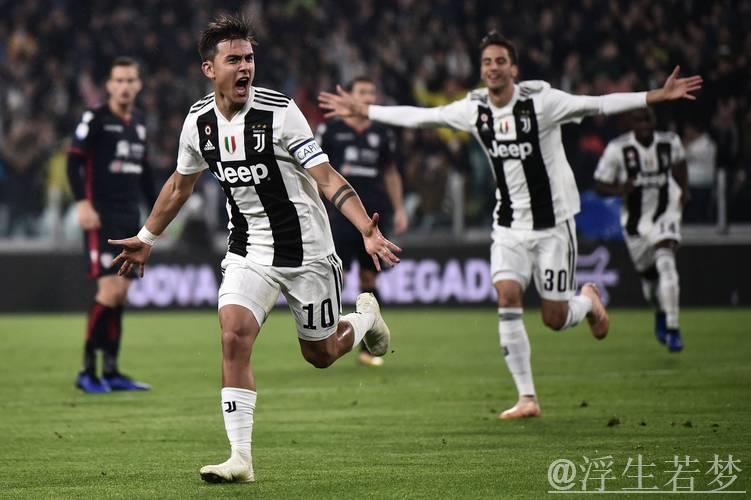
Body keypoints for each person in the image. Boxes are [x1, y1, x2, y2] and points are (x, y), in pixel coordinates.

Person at [319, 31, 702, 419]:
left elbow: (599, 104)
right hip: (508, 224)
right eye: (487, 62)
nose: (493, 68)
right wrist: (366, 110)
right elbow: (423, 117)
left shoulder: (543, 102)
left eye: (500, 61)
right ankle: (527, 398)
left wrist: (655, 95)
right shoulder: (476, 108)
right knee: (506, 296)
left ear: (513, 69)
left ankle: (588, 301)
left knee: (554, 318)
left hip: (553, 225)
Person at [108, 15, 400, 483]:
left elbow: (326, 178)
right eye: (234, 60)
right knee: (233, 335)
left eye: (249, 58)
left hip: (307, 251)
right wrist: (146, 238)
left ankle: (365, 315)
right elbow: (180, 186)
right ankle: (240, 458)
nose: (245, 67)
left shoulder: (281, 113)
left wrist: (366, 228)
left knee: (321, 354)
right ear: (209, 69)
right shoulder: (198, 122)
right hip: (249, 251)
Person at [67, 57, 156, 393]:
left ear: (139, 85)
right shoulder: (96, 118)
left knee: (121, 295)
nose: (125, 86)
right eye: (119, 80)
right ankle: (87, 371)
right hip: (100, 217)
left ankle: (112, 370)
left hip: (130, 220)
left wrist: (157, 216)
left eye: (130, 80)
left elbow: (145, 176)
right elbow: (73, 162)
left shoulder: (140, 124)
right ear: (108, 85)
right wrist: (82, 203)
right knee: (110, 291)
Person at [316, 76, 408, 367]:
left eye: (371, 92)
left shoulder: (382, 133)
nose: (367, 97)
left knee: (369, 279)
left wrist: (400, 209)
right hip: (339, 216)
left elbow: (391, 173)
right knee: (336, 276)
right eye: (362, 92)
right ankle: (328, 338)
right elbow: (317, 173)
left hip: (373, 217)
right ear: (350, 95)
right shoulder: (330, 130)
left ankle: (367, 348)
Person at [594, 108, 688, 351]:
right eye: (639, 121)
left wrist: (684, 191)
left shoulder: (670, 142)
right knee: (650, 283)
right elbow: (599, 184)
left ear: (654, 121)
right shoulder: (618, 149)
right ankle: (659, 311)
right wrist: (620, 189)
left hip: (665, 213)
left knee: (666, 263)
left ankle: (673, 328)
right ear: (631, 124)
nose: (645, 125)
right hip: (635, 223)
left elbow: (680, 164)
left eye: (648, 120)